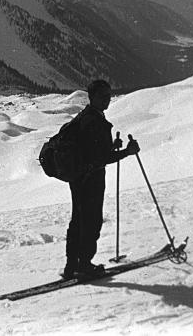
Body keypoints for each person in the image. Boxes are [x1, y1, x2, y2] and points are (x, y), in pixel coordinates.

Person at [63, 79, 140, 278]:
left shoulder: (85, 117)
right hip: (91, 178)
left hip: (79, 177)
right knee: (91, 220)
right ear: (92, 97)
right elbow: (99, 158)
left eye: (109, 95)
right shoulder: (94, 121)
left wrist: (111, 146)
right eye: (103, 96)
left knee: (78, 220)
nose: (107, 99)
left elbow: (92, 150)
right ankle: (84, 264)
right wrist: (126, 152)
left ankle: (72, 265)